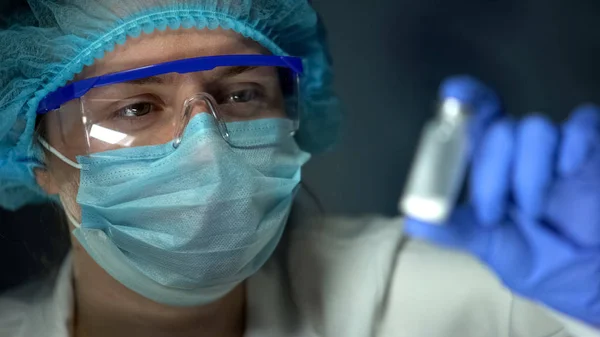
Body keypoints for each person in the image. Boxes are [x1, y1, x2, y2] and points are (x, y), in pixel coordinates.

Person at [0, 1, 599, 336]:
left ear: (294, 116)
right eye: (135, 107)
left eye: (240, 95)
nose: (207, 147)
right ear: (38, 156)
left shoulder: (420, 297)